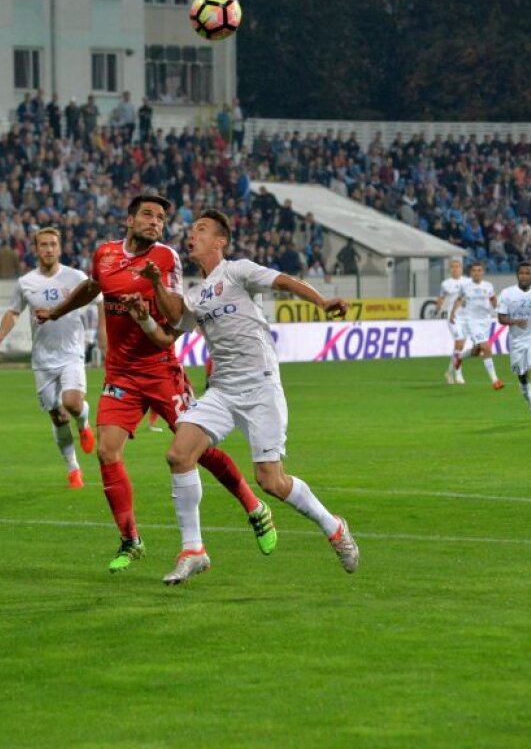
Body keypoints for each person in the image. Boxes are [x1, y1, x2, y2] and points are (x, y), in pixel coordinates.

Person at [35, 193, 273, 574]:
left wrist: (148, 308)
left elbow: (176, 313)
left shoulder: (165, 259)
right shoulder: (105, 254)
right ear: (129, 220)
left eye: (161, 218)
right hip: (121, 374)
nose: (155, 222)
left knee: (199, 450)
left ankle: (254, 506)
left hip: (162, 370)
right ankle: (131, 540)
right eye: (147, 215)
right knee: (107, 452)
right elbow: (93, 287)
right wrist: (55, 311)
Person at [126, 210, 360, 584]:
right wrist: (145, 313)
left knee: (271, 481)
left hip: (260, 385)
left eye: (201, 230)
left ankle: (333, 526)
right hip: (223, 390)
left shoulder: (238, 270)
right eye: (191, 231)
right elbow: (166, 336)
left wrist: (322, 302)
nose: (193, 235)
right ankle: (193, 550)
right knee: (179, 454)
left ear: (220, 241)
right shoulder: (195, 294)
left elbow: (284, 281)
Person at [0, 227, 102, 488]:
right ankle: (73, 468)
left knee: (72, 404)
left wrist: (104, 334)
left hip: (72, 353)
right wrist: (0, 333)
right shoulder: (26, 282)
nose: (49, 249)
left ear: (60, 248)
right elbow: (14, 311)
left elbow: (99, 300)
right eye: (44, 245)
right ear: (36, 249)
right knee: (58, 416)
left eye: (53, 244)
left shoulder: (75, 277)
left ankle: (84, 424)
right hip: (42, 359)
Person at [496, 262, 531, 423]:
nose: (524, 276)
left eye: (527, 273)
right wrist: (515, 321)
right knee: (522, 377)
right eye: (521, 273)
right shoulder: (507, 294)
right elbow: (500, 318)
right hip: (517, 342)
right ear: (517, 275)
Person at [449, 260, 503, 390]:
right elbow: (458, 299)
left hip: (485, 321)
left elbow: (493, 300)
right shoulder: (465, 286)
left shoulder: (488, 286)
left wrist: (500, 311)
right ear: (471, 273)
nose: (477, 273)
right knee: (486, 347)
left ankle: (459, 357)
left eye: (479, 270)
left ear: (483, 272)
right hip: (471, 321)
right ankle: (495, 380)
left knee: (477, 350)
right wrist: (452, 313)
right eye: (474, 271)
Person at [435, 258, 469, 384]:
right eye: (453, 267)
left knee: (460, 346)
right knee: (459, 342)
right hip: (452, 317)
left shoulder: (468, 282)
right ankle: (458, 373)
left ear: (461, 268)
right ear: (450, 269)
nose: (455, 269)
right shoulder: (445, 284)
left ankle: (449, 372)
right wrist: (437, 309)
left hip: (465, 317)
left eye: (457, 266)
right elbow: (441, 298)